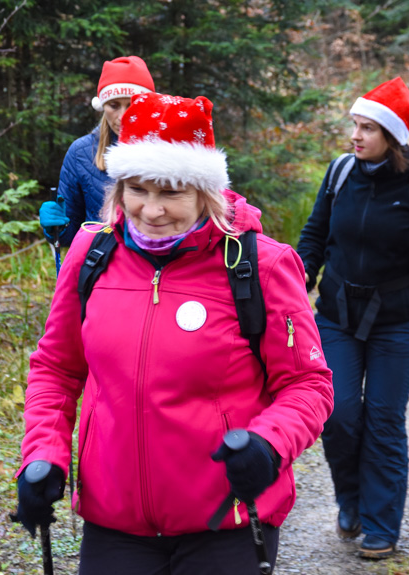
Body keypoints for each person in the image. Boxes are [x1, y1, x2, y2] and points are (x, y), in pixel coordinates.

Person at [16, 92, 334, 574]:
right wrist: (44, 453)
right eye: (137, 189)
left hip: (225, 518)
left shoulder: (260, 265)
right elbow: (56, 370)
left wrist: (269, 444)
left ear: (206, 192)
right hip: (115, 520)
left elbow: (309, 385)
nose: (151, 210)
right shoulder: (91, 254)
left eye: (171, 193)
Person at [296, 77, 409, 560]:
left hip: (398, 321)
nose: (356, 136)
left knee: (384, 419)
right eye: (355, 126)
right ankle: (350, 501)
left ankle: (381, 523)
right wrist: (297, 280)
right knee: (341, 413)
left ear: (391, 136)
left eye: (367, 128)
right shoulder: (340, 173)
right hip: (337, 315)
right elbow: (314, 234)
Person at [38, 55, 156, 247]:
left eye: (133, 105)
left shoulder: (170, 151)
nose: (123, 116)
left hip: (156, 268)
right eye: (114, 105)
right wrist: (55, 227)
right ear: (102, 106)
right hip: (103, 267)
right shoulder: (81, 153)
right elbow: (69, 237)